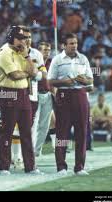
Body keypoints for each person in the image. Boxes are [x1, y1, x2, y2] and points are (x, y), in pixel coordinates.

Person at [0, 25, 41, 175]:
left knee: (26, 132)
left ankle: (30, 166)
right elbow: (14, 75)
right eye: (20, 38)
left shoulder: (23, 52)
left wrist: (27, 56)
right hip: (8, 93)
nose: (23, 41)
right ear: (11, 38)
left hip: (23, 94)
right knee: (7, 131)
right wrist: (27, 73)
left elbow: (34, 72)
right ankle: (4, 167)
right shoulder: (4, 52)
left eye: (24, 38)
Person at [48, 33, 93, 176]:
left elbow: (90, 81)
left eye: (75, 43)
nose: (74, 46)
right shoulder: (57, 60)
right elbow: (50, 81)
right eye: (71, 43)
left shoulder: (83, 58)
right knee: (62, 133)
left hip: (80, 95)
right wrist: (64, 82)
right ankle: (61, 166)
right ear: (64, 45)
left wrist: (83, 80)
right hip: (64, 95)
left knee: (81, 133)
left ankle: (79, 167)